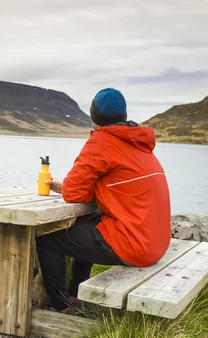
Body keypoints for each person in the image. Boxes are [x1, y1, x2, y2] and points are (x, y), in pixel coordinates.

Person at [36, 88, 171, 313]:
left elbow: (73, 193)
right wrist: (69, 188)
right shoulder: (139, 143)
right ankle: (76, 292)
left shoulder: (102, 141)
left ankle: (61, 305)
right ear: (124, 116)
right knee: (87, 224)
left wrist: (65, 188)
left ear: (94, 117)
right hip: (156, 243)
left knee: (48, 236)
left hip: (135, 246)